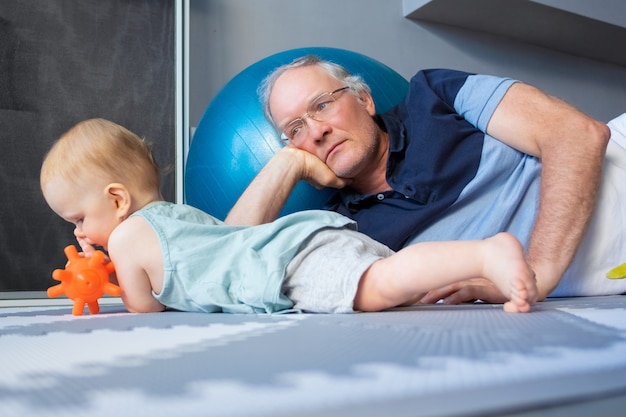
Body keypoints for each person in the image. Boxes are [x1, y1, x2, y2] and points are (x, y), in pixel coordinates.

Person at [225, 55, 626, 304]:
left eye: (323, 105)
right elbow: (223, 264)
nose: (314, 131)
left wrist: (540, 269)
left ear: (363, 99)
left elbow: (578, 135)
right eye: (295, 129)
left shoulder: (434, 94)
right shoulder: (348, 231)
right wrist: (287, 166)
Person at [40, 118, 537, 314]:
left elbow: (147, 309)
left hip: (287, 264)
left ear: (117, 199)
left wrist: (104, 275)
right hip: (297, 243)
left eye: (80, 218)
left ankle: (485, 252)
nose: (80, 231)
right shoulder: (177, 215)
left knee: (378, 286)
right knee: (395, 285)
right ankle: (474, 269)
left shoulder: (127, 238)